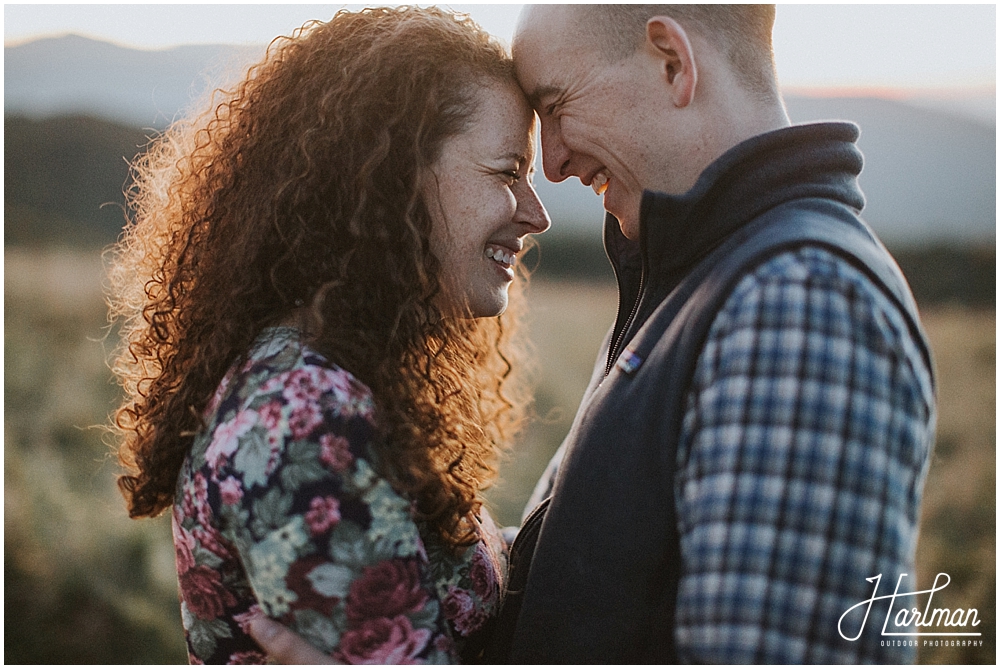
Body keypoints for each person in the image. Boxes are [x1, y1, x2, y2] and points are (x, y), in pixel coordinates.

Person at [250, 4, 936, 664]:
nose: (552, 163)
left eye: (554, 104)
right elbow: (596, 590)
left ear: (672, 63)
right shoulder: (698, 280)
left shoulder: (798, 303)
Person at [107, 6, 548, 664]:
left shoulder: (344, 378)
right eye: (507, 172)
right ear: (394, 175)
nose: (535, 215)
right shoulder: (303, 421)